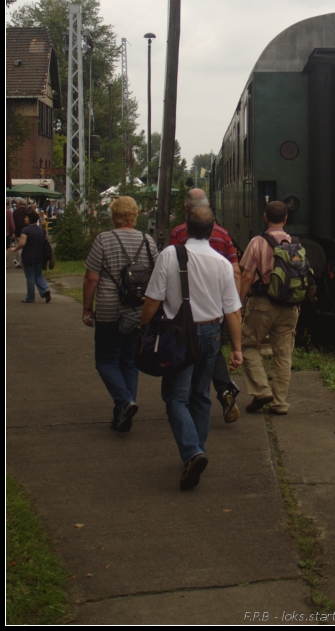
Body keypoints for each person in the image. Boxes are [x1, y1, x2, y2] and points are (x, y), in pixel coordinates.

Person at [141, 205, 243, 490]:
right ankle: (198, 449)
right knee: (200, 395)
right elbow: (233, 311)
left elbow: (152, 300)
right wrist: (236, 348)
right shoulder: (222, 263)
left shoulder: (170, 255)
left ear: (185, 228)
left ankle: (192, 453)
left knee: (175, 397)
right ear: (212, 231)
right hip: (211, 333)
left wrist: (143, 328)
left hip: (178, 335)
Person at [82, 196, 158, 434]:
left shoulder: (103, 239)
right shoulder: (148, 241)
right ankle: (122, 415)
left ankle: (125, 402)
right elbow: (157, 276)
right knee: (129, 363)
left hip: (109, 311)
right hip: (137, 311)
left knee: (105, 360)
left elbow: (92, 277)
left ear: (114, 215)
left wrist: (87, 308)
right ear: (135, 215)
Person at [169, 188, 241, 423]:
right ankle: (224, 390)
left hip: (185, 310)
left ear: (186, 209)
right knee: (213, 350)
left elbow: (169, 266)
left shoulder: (178, 233)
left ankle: (188, 403)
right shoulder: (222, 234)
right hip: (217, 307)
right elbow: (236, 270)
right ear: (209, 207)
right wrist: (235, 303)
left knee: (187, 357)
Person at [238, 200, 299, 415]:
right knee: (283, 354)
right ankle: (280, 402)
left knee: (247, 345)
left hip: (263, 305)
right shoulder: (296, 243)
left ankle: (262, 390)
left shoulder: (257, 242)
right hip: (289, 307)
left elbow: (246, 276)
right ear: (285, 219)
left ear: (265, 217)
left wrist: (239, 303)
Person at [10, 210, 52, 303]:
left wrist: (15, 249)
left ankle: (30, 297)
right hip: (40, 256)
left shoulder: (25, 230)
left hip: (28, 256)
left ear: (30, 219)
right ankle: (45, 289)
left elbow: (22, 243)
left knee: (30, 277)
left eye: (26, 217)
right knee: (38, 275)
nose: (25, 219)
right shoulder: (41, 229)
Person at [12, 199, 28, 267]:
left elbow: (13, 222)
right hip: (27, 231)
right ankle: (25, 260)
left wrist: (13, 231)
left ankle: (19, 262)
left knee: (18, 246)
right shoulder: (28, 211)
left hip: (18, 231)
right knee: (26, 246)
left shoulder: (15, 212)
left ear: (19, 204)